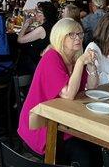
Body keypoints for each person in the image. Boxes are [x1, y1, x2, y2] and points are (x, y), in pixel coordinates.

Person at [18, 18, 100, 167]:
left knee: (95, 147)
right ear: (60, 37)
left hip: (65, 120)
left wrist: (92, 67)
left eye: (80, 34)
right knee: (84, 154)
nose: (78, 38)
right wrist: (81, 63)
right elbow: (68, 94)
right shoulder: (51, 57)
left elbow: (93, 88)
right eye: (72, 34)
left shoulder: (74, 59)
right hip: (42, 124)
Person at [17, 1, 58, 74]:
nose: (35, 14)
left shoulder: (42, 29)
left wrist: (26, 24)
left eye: (38, 12)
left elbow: (20, 40)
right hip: (47, 59)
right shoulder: (53, 25)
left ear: (45, 15)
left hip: (37, 62)